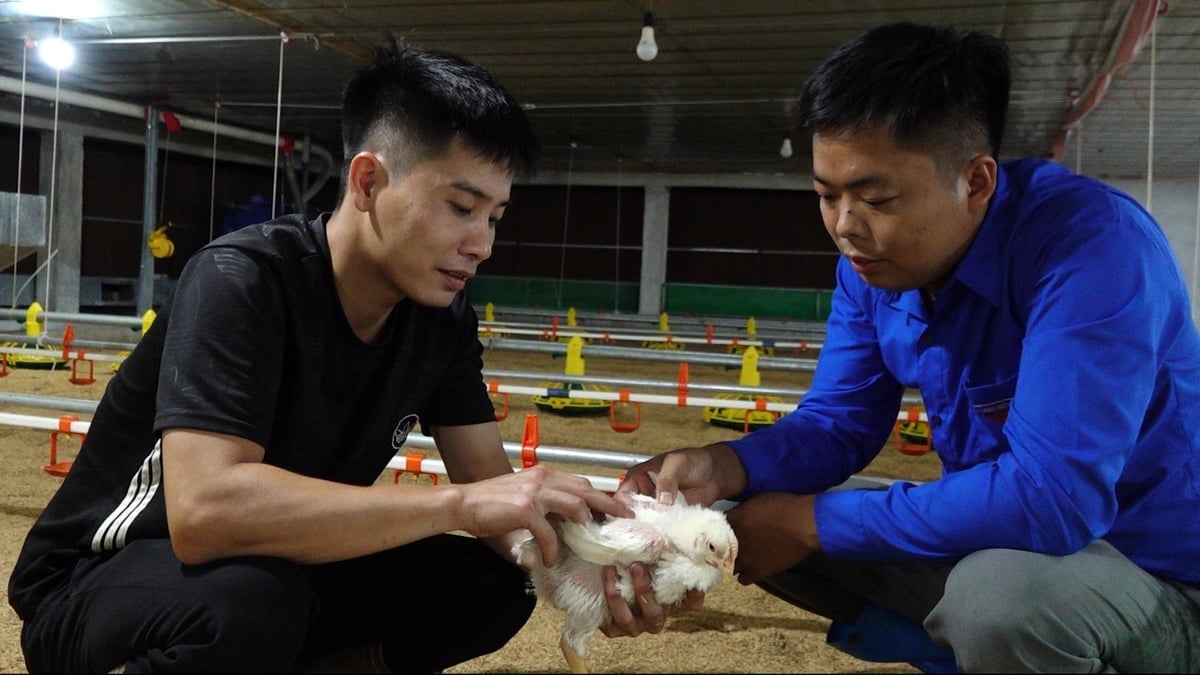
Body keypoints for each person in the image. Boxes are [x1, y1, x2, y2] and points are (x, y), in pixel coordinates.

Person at [7, 39, 640, 674]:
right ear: (368, 182)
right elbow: (205, 515)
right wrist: (456, 506)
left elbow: (490, 490)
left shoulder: (441, 319)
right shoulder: (242, 281)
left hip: (275, 572)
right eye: (461, 207)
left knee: (487, 587)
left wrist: (582, 565)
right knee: (251, 604)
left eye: (495, 217)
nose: (482, 245)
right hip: (103, 579)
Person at [617, 21, 1200, 673]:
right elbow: (839, 425)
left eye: (875, 198)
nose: (844, 227)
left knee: (998, 601)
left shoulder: (1090, 249)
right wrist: (722, 464)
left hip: (1161, 578)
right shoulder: (873, 270)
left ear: (976, 182)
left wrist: (816, 520)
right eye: (826, 196)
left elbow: (1056, 499)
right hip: (1020, 547)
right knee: (727, 516)